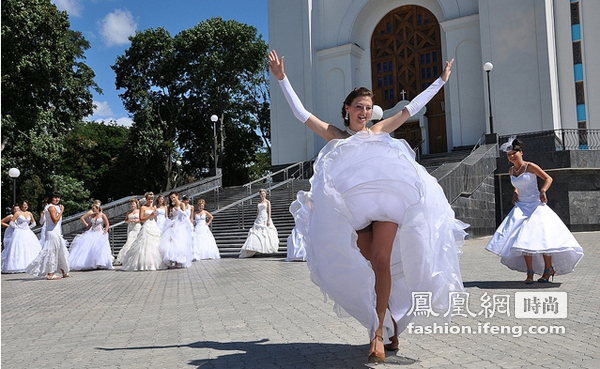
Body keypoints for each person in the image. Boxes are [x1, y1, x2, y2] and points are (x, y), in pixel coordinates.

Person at [268, 49, 466, 363]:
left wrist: (439, 82)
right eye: (359, 107)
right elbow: (302, 114)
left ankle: (377, 335)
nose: (364, 111)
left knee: (383, 259)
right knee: (372, 268)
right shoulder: (337, 136)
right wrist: (282, 79)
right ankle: (388, 324)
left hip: (387, 204)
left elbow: (408, 110)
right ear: (346, 110)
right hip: (355, 214)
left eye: (368, 107)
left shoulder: (377, 131)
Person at [486, 137, 584, 283]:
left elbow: (548, 178)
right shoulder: (511, 170)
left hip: (536, 206)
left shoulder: (530, 166)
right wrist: (515, 192)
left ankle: (548, 269)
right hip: (521, 207)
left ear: (521, 153)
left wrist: (543, 191)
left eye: (514, 153)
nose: (512, 156)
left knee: (541, 238)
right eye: (509, 154)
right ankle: (530, 273)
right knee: (523, 240)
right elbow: (517, 184)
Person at [26, 193, 70, 280]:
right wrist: (61, 211)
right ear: (51, 198)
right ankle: (50, 273)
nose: (57, 199)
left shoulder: (54, 207)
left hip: (57, 232)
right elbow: (55, 220)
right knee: (52, 252)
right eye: (55, 197)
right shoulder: (51, 207)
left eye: (58, 198)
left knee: (60, 251)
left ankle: (63, 271)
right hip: (52, 232)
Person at [121, 192, 167, 271]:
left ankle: (155, 263)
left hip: (153, 226)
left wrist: (155, 217)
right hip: (146, 225)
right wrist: (150, 215)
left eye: (152, 199)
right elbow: (141, 219)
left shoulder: (154, 208)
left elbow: (155, 218)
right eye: (149, 199)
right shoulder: (143, 208)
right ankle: (144, 263)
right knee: (145, 244)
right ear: (146, 199)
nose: (150, 201)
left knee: (156, 244)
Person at [68, 202, 114, 270]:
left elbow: (107, 224)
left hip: (99, 232)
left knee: (98, 248)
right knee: (89, 247)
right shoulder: (92, 216)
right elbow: (90, 225)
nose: (93, 210)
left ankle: (100, 262)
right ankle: (92, 263)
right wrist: (85, 231)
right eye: (92, 209)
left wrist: (105, 231)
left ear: (98, 209)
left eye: (94, 209)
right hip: (92, 232)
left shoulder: (102, 215)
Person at [1, 201, 42, 273]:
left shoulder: (29, 213)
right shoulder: (17, 213)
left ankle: (31, 264)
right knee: (18, 248)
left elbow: (34, 223)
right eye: (24, 205)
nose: (25, 206)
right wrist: (17, 227)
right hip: (19, 232)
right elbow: (11, 222)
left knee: (30, 247)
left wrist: (29, 227)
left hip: (27, 232)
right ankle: (18, 265)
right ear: (21, 206)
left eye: (26, 205)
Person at [239, 189, 279, 258]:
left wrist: (268, 220)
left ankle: (265, 247)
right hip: (259, 219)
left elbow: (269, 212)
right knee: (255, 233)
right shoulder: (259, 203)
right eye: (261, 194)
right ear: (260, 195)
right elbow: (257, 212)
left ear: (265, 194)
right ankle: (254, 248)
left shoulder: (268, 202)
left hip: (265, 218)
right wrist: (257, 219)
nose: (262, 195)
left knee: (266, 234)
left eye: (263, 194)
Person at [159, 192, 193, 268]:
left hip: (180, 224)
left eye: (174, 197)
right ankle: (172, 258)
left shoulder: (182, 204)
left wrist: (179, 210)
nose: (173, 199)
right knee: (170, 241)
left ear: (177, 196)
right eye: (171, 198)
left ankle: (180, 260)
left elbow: (185, 215)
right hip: (173, 223)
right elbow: (172, 216)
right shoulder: (172, 206)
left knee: (179, 242)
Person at [115, 198, 142, 265]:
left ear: (136, 204)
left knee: (137, 241)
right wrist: (129, 221)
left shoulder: (139, 211)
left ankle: (137, 257)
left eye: (133, 204)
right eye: (131, 204)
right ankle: (126, 257)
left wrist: (137, 220)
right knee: (129, 241)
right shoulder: (129, 212)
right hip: (130, 228)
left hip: (137, 227)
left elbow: (142, 219)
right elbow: (126, 220)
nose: (132, 205)